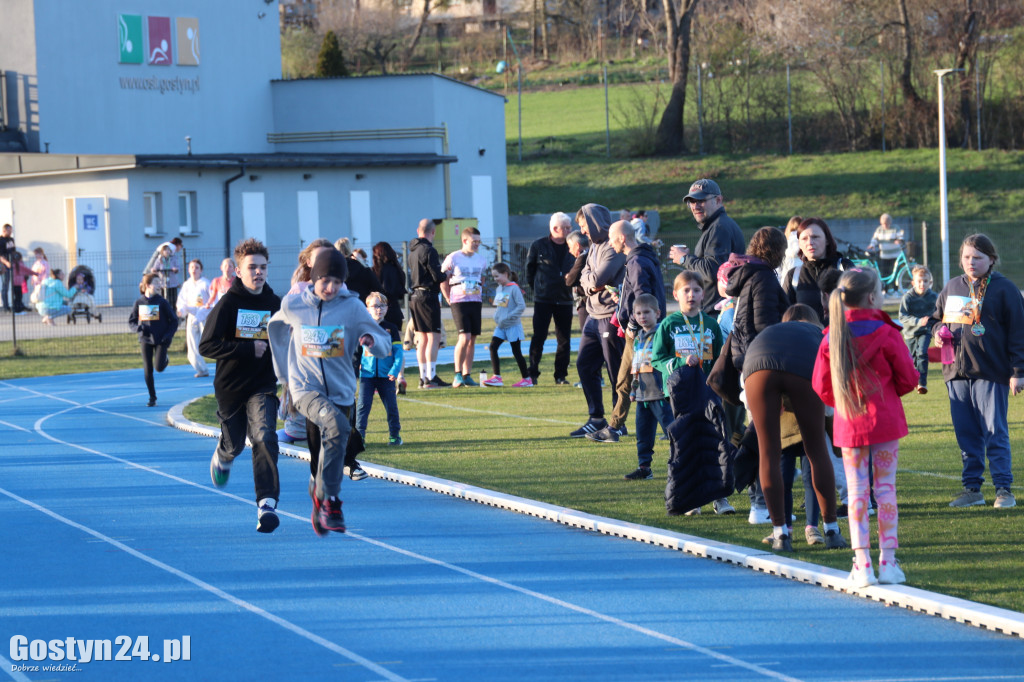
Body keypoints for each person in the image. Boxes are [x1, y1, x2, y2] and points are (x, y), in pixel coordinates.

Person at [268, 249, 390, 535]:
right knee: (336, 427)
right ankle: (331, 502)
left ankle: (320, 494)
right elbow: (274, 328)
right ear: (313, 277)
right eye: (325, 280)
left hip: (341, 390)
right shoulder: (294, 304)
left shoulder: (353, 308)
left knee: (335, 440)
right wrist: (283, 373)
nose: (331, 288)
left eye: (337, 282)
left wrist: (372, 341)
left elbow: (383, 340)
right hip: (306, 388)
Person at [813, 268, 917, 586]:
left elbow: (821, 385)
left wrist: (845, 401)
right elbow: (909, 379)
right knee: (885, 490)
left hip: (850, 422)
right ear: (872, 297)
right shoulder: (887, 333)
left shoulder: (832, 335)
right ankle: (888, 562)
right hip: (884, 420)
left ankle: (862, 565)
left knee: (857, 492)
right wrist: (885, 395)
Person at [742, 312, 847, 552]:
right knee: (816, 449)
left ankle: (780, 534)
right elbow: (830, 407)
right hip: (802, 368)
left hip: (755, 366)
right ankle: (831, 529)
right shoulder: (819, 337)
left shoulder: (771, 332)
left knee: (768, 454)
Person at [933, 234, 1024, 510]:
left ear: (991, 259)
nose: (971, 262)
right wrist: (938, 332)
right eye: (966, 257)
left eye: (978, 257)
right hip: (956, 373)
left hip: (991, 372)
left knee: (994, 431)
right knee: (966, 434)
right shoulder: (951, 287)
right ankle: (972, 490)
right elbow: (936, 319)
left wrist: (1018, 370)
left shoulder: (1005, 289)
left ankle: (1003, 490)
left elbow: (1019, 332)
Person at [199, 238, 283, 534]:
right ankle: (223, 454)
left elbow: (286, 342)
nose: (258, 272)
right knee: (235, 445)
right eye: (252, 267)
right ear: (238, 270)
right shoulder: (229, 303)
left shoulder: (275, 303)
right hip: (231, 387)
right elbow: (206, 345)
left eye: (262, 267)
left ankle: (266, 504)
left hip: (262, 385)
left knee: (263, 437)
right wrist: (247, 349)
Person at [651, 271, 728, 514]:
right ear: (676, 295)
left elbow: (718, 358)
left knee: (714, 442)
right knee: (686, 445)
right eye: (686, 290)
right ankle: (688, 498)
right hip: (681, 394)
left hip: (708, 393)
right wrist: (681, 362)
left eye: (696, 290)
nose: (691, 295)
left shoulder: (712, 324)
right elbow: (658, 358)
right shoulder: (669, 324)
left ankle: (719, 498)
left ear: (703, 294)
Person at [587, 219, 666, 444]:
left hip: (642, 332)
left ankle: (616, 427)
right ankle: (617, 426)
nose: (610, 244)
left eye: (612, 239)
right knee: (644, 380)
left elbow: (643, 296)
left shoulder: (636, 261)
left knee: (628, 380)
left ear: (622, 237)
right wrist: (622, 297)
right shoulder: (643, 258)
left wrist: (632, 323)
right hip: (648, 328)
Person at [570, 204, 627, 438]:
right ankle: (596, 418)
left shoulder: (612, 248)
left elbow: (598, 279)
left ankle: (617, 423)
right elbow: (586, 279)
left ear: (594, 224)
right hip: (593, 316)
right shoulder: (593, 247)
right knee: (584, 365)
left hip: (610, 317)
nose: (583, 232)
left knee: (615, 372)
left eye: (584, 226)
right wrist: (589, 280)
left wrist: (590, 281)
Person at [621, 293, 675, 480]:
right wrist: (634, 389)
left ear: (657, 313)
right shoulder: (638, 338)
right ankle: (644, 467)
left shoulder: (663, 334)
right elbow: (637, 365)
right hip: (642, 395)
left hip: (660, 394)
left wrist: (667, 386)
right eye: (638, 313)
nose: (642, 316)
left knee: (672, 430)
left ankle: (682, 462)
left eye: (647, 312)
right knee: (643, 433)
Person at [724, 227, 790, 374]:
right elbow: (765, 323)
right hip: (760, 356)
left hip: (744, 351)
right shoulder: (764, 277)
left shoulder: (749, 273)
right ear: (777, 250)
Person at [675, 179, 745, 315]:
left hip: (717, 312)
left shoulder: (719, 228)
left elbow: (712, 270)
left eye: (701, 201)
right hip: (718, 309)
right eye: (692, 202)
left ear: (718, 200)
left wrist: (684, 259)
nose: (695, 207)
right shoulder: (716, 226)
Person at [526, 212, 575, 386]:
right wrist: (538, 288)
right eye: (567, 227)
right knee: (539, 336)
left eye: (570, 227)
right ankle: (532, 373)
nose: (570, 230)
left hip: (565, 298)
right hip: (543, 299)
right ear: (555, 228)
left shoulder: (573, 246)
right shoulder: (539, 245)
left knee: (564, 339)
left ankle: (560, 375)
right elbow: (530, 271)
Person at [782, 217, 855, 326]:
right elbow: (785, 316)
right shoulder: (793, 276)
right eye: (804, 239)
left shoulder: (844, 267)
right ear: (799, 244)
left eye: (815, 237)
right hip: (807, 340)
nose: (810, 242)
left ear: (827, 240)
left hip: (839, 339)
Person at [441, 226, 488, 388]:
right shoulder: (453, 258)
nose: (476, 244)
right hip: (459, 301)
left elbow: (482, 278)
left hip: (475, 301)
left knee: (472, 339)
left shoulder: (481, 260)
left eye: (478, 242)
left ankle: (467, 374)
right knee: (464, 337)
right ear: (464, 240)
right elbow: (443, 280)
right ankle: (457, 374)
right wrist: (448, 297)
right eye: (474, 241)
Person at [355, 292, 404, 445]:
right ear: (367, 309)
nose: (379, 309)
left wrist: (395, 370)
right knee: (363, 406)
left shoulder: (391, 328)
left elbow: (398, 352)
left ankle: (394, 436)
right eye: (375, 306)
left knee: (391, 407)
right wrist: (355, 370)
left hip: (386, 376)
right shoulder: (362, 328)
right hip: (367, 376)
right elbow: (356, 353)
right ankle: (359, 437)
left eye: (382, 306)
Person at [409, 219, 449, 389]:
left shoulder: (412, 251)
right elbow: (437, 276)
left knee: (422, 337)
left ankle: (422, 376)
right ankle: (431, 377)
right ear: (433, 232)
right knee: (434, 336)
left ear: (418, 230)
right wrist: (446, 274)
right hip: (427, 296)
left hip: (415, 296)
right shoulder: (429, 250)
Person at [128, 273, 178, 407]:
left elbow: (174, 321)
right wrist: (138, 328)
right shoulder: (139, 302)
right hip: (145, 339)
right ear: (148, 285)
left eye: (160, 282)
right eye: (156, 282)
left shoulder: (162, 302)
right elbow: (131, 321)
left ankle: (164, 359)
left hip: (161, 339)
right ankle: (152, 397)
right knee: (147, 369)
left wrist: (168, 335)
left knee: (159, 367)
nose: (159, 285)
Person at [482, 263, 530, 387]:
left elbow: (521, 306)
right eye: (493, 277)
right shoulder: (500, 288)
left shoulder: (514, 288)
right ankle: (497, 377)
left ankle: (526, 379)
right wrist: (497, 316)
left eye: (497, 276)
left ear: (505, 274)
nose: (495, 279)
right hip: (501, 326)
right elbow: (500, 306)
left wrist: (509, 317)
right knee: (493, 347)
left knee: (516, 352)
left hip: (513, 325)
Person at [373, 241, 409, 394]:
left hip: (379, 311)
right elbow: (402, 291)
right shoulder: (397, 270)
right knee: (396, 347)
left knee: (378, 347)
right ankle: (400, 377)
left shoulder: (376, 271)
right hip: (394, 310)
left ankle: (379, 380)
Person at [898, 265, 938, 394]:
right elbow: (902, 317)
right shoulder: (908, 298)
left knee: (922, 353)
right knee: (913, 358)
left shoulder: (933, 297)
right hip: (910, 333)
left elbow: (938, 312)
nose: (922, 284)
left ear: (930, 282)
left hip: (925, 331)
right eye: (919, 281)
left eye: (925, 281)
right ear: (913, 283)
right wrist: (918, 321)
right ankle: (915, 379)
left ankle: (922, 383)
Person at [176, 259, 210, 378]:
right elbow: (181, 301)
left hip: (205, 317)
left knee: (208, 343)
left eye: (196, 267)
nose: (194, 270)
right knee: (192, 345)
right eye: (191, 267)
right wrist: (181, 310)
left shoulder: (206, 283)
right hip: (192, 317)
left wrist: (204, 312)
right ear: (189, 270)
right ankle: (201, 369)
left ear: (201, 270)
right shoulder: (186, 285)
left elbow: (212, 301)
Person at [335, 237, 383, 302]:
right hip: (361, 304)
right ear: (350, 249)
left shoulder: (333, 270)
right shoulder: (363, 268)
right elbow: (378, 289)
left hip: (341, 305)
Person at [144, 238, 183, 309]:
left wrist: (175, 269)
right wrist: (154, 269)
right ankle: (155, 314)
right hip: (161, 281)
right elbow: (155, 267)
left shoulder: (172, 257)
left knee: (168, 299)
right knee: (158, 299)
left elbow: (176, 267)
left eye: (168, 250)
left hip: (168, 282)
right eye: (165, 250)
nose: (167, 252)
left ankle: (167, 313)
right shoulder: (160, 259)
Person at [564, 230, 590, 333]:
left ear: (577, 245)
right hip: (587, 300)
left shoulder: (583, 257)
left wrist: (569, 276)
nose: (570, 251)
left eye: (570, 247)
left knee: (587, 334)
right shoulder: (590, 254)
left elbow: (570, 280)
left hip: (585, 301)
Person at [867, 213, 904, 281]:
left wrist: (898, 241)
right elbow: (875, 239)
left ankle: (895, 289)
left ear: (890, 222)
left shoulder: (895, 228)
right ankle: (885, 289)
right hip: (884, 255)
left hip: (895, 255)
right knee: (884, 272)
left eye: (887, 223)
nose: (885, 225)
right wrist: (872, 245)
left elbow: (900, 237)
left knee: (895, 272)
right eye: (883, 223)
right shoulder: (879, 229)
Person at [0, 223, 14, 313]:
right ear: (4, 230)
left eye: (11, 230)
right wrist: (6, 263)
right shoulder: (1, 240)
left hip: (12, 264)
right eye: (9, 231)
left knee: (13, 285)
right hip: (4, 265)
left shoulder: (11, 239)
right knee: (5, 286)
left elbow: (13, 251)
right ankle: (5, 306)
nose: (10, 232)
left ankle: (16, 304)